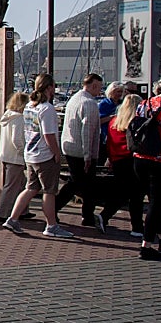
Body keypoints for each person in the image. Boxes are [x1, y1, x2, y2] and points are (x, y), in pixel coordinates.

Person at [3, 74, 74, 238]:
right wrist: (56, 153)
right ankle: (51, 225)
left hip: (30, 153)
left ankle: (13, 218)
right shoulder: (47, 108)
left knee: (31, 188)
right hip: (44, 155)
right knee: (49, 191)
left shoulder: (29, 105)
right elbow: (49, 135)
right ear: (49, 88)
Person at [55, 73, 104, 232]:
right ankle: (57, 207)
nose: (100, 91)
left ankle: (87, 214)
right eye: (99, 87)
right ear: (93, 85)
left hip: (70, 146)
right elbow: (87, 130)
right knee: (81, 183)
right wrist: (88, 154)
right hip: (81, 150)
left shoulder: (74, 99)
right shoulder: (89, 103)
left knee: (83, 184)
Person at [132, 73, 161, 260]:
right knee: (157, 203)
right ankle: (146, 246)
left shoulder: (144, 104)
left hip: (140, 156)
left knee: (153, 200)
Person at [100, 93, 145, 239]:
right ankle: (137, 227)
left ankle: (105, 215)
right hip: (131, 160)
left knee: (124, 193)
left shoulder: (114, 122)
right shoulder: (136, 123)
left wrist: (111, 159)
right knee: (136, 195)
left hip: (118, 161)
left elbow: (109, 143)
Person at [0, 91, 28, 221]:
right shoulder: (18, 118)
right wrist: (23, 152)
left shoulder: (7, 117)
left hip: (7, 155)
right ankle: (2, 213)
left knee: (21, 184)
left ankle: (23, 210)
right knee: (12, 185)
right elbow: (17, 139)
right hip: (15, 157)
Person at [99, 81, 125, 147]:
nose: (120, 94)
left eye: (121, 92)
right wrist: (113, 117)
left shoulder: (123, 103)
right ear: (111, 91)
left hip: (120, 135)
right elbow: (99, 121)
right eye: (118, 91)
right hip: (107, 135)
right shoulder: (104, 104)